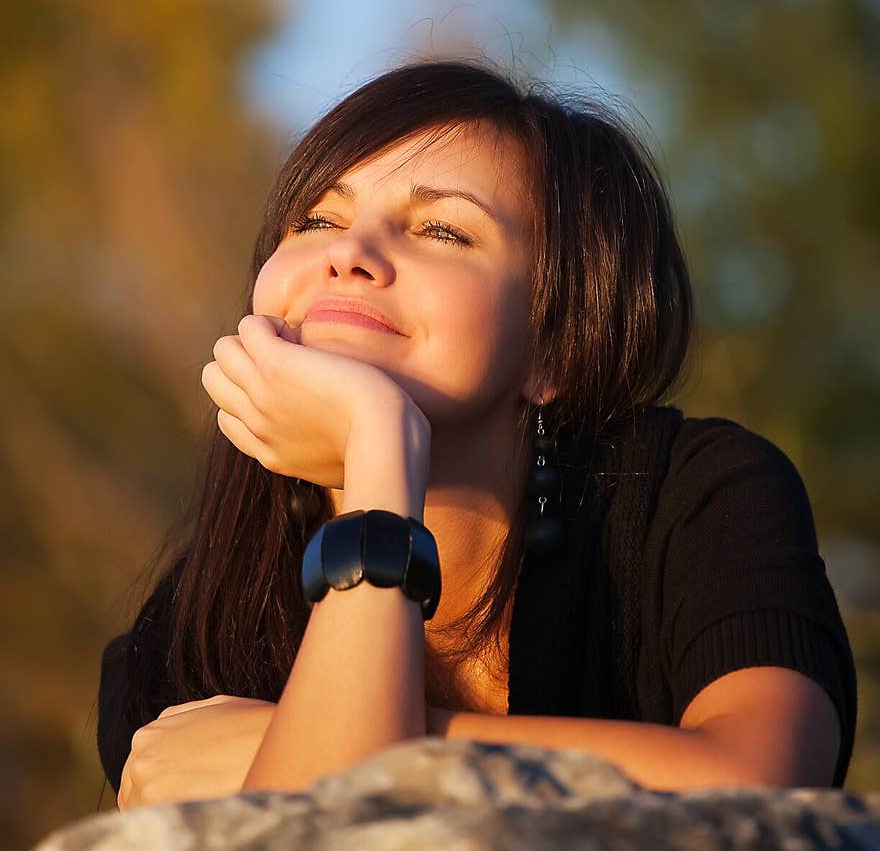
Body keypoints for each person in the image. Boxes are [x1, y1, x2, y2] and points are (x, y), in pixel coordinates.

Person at [95, 58, 857, 812]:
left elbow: (761, 791)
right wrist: (377, 448)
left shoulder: (694, 499)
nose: (348, 254)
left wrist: (382, 746)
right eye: (319, 218)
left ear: (555, 346)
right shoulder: (202, 613)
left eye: (441, 230)